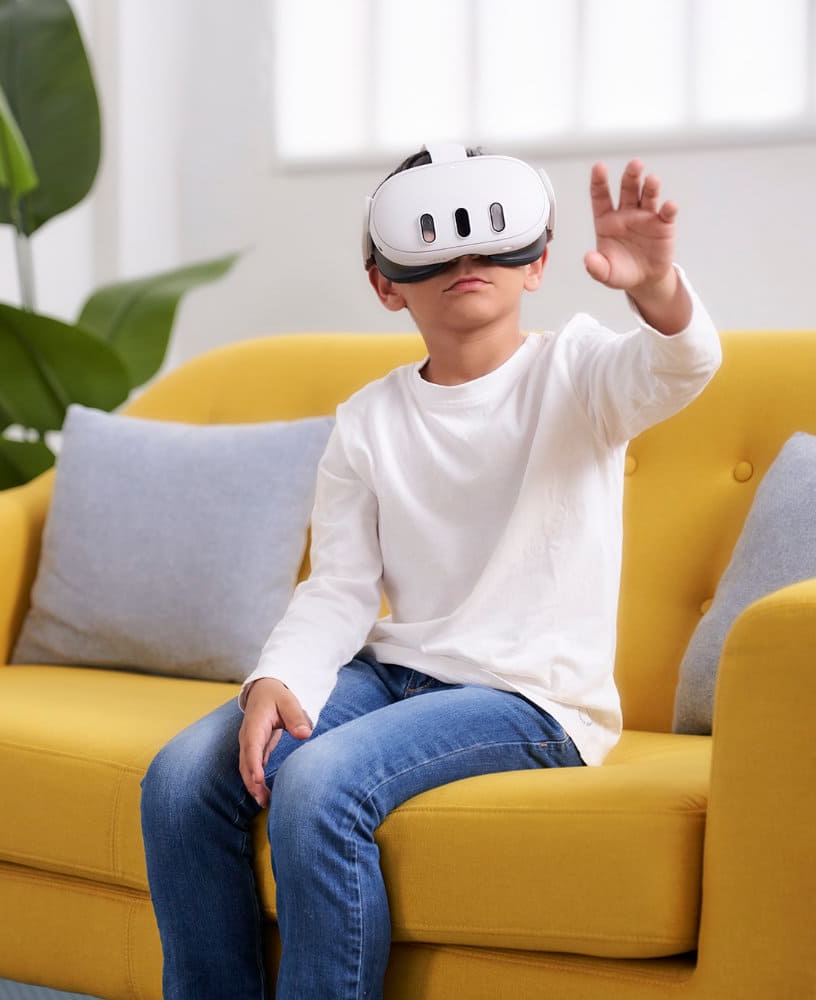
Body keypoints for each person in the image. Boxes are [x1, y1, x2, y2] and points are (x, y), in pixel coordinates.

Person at [140, 145, 722, 1000]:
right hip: (393, 675)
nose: (465, 261)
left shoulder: (583, 374)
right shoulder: (368, 419)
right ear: (387, 284)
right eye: (434, 248)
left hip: (530, 697)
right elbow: (339, 587)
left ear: (537, 265)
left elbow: (683, 364)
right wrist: (278, 678)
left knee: (319, 783)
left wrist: (656, 291)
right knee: (183, 778)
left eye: (490, 242)